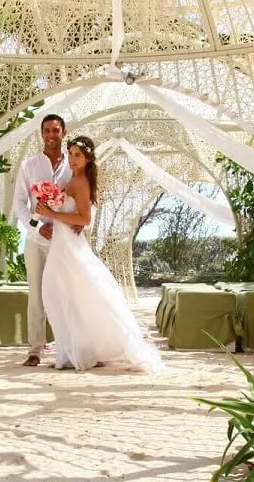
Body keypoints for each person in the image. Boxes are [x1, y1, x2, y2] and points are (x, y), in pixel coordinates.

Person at [34, 135, 164, 373]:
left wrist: (53, 214)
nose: (72, 159)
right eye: (71, 153)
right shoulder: (72, 179)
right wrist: (49, 207)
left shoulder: (81, 182)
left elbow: (84, 218)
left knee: (69, 295)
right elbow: (74, 216)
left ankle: (78, 352)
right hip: (63, 245)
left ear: (87, 159)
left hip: (70, 249)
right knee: (65, 296)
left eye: (78, 155)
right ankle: (74, 350)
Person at [12, 114, 73, 367]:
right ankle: (35, 350)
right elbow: (19, 203)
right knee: (36, 295)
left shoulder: (74, 164)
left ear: (63, 132)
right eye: (46, 130)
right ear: (41, 133)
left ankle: (69, 348)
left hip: (66, 241)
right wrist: (37, 227)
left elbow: (85, 199)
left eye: (55, 130)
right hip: (37, 242)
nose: (51, 135)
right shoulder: (29, 165)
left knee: (67, 295)